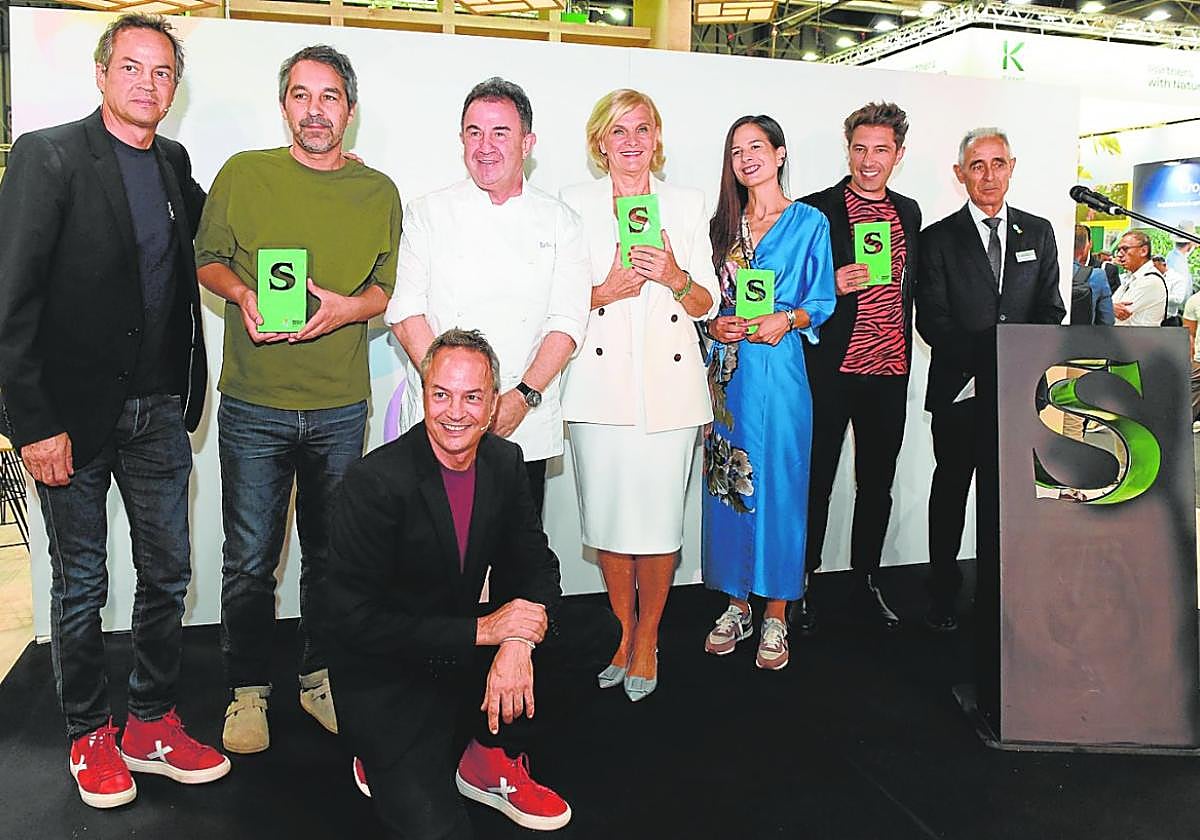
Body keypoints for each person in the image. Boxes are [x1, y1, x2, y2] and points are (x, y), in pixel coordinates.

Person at [0, 13, 228, 808]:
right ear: (102, 74)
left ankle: (151, 721)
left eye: (162, 72)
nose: (147, 84)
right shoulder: (48, 155)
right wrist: (31, 423)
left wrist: (327, 177)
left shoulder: (172, 160)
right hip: (69, 419)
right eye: (132, 68)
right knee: (82, 583)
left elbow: (222, 234)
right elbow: (12, 301)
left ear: (175, 86)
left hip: (159, 411)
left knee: (168, 573)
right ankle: (89, 731)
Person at [325, 328, 620, 839]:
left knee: (595, 629)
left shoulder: (503, 463)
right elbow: (355, 625)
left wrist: (517, 640)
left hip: (461, 654)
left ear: (491, 406)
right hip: (391, 675)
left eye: (471, 397)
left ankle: (486, 755)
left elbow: (536, 565)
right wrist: (486, 633)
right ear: (424, 395)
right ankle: (379, 757)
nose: (454, 412)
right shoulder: (373, 484)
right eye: (441, 394)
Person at [194, 44, 403, 754]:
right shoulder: (244, 175)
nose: (316, 111)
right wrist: (243, 294)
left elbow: (386, 287)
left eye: (330, 97)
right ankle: (246, 690)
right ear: (285, 104)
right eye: (302, 96)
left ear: (350, 108)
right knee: (250, 557)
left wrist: (349, 309)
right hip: (254, 401)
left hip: (340, 404)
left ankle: (318, 677)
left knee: (332, 554)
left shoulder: (378, 192)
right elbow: (207, 259)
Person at [557, 90, 717, 701]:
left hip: (670, 389)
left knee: (657, 526)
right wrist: (603, 291)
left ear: (657, 138)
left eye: (642, 129)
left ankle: (648, 637)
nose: (630, 141)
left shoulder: (686, 203)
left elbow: (711, 305)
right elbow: (557, 296)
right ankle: (622, 634)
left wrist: (675, 277)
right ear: (601, 141)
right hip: (599, 389)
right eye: (618, 130)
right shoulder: (574, 204)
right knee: (610, 525)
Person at [386, 77, 591, 517]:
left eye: (501, 133)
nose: (486, 146)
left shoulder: (561, 223)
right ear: (461, 140)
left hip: (520, 418)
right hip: (439, 419)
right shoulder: (427, 213)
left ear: (527, 142)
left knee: (512, 560)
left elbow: (567, 323)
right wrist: (454, 398)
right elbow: (406, 313)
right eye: (474, 132)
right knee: (433, 558)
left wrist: (519, 398)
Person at [916, 126, 1065, 631]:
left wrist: (1014, 364)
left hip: (1022, 394)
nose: (988, 175)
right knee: (952, 491)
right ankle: (941, 590)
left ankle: (1003, 593)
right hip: (959, 393)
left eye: (997, 163)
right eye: (976, 165)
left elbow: (1051, 309)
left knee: (1012, 501)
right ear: (961, 174)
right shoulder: (936, 238)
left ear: (1012, 167)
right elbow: (931, 320)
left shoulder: (1039, 232)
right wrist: (990, 360)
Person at [701, 115, 835, 670]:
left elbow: (822, 299)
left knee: (779, 486)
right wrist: (715, 324)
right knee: (728, 488)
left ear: (780, 154)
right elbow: (707, 301)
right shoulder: (720, 228)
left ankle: (777, 611)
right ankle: (737, 604)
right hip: (729, 377)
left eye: (757, 147)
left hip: (780, 373)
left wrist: (788, 317)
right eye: (736, 151)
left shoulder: (809, 223)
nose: (746, 158)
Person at [798, 101, 921, 635]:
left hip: (890, 372)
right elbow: (784, 284)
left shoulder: (910, 212)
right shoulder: (815, 210)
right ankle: (799, 583)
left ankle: (866, 579)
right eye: (860, 148)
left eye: (881, 150)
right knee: (816, 481)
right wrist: (834, 284)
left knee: (878, 484)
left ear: (898, 154)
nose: (869, 160)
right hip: (833, 368)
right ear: (848, 149)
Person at [1111, 231, 1167, 327]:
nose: (1120, 255)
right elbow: (1112, 307)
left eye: (1125, 249)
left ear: (1143, 251)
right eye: (1119, 250)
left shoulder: (1150, 281)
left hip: (1139, 340)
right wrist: (1111, 307)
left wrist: (1109, 308)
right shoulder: (1132, 277)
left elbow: (1120, 314)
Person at [1072, 224, 1114, 326]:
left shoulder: (1043, 272)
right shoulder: (1097, 276)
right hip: (1081, 338)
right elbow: (1107, 321)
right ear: (1086, 247)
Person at [1152, 254, 1187, 324]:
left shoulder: (1176, 278)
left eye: (1155, 267)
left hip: (1169, 320)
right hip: (1152, 320)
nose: (1152, 269)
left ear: (1163, 265)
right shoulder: (1151, 277)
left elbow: (1178, 299)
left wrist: (1160, 297)